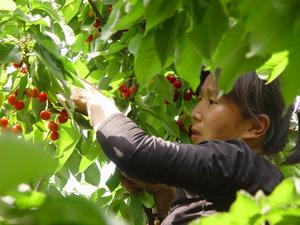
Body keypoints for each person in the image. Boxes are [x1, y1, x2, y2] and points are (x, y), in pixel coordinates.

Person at [71, 70, 300, 225]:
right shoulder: (252, 183)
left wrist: (97, 104)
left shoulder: (239, 160)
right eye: (200, 98)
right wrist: (164, 192)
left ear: (255, 126)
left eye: (212, 101)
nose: (195, 112)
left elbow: (137, 152)